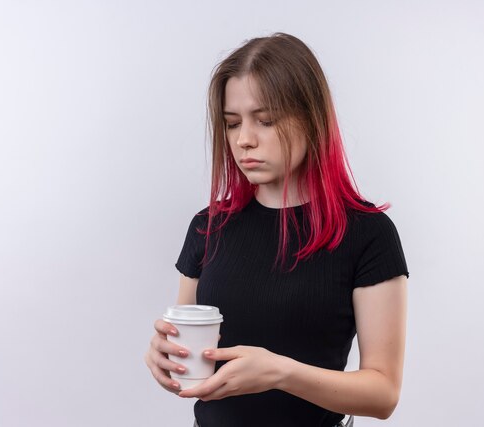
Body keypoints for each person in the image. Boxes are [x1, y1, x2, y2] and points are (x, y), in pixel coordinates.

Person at [145, 32, 409, 427]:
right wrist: (165, 357)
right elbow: (189, 349)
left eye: (265, 121)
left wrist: (282, 373)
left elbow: (383, 394)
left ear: (311, 118)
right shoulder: (208, 227)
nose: (244, 140)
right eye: (232, 124)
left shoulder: (368, 235)